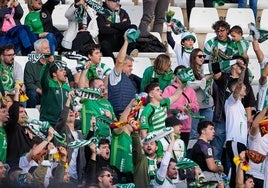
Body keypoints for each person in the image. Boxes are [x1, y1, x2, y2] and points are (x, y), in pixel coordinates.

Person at [55, 91, 86, 186]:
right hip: (63, 174)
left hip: (77, 177)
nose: (70, 112)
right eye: (68, 112)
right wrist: (69, 98)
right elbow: (62, 119)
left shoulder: (80, 135)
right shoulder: (61, 130)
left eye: (72, 111)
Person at [162, 65, 199, 146]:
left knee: (183, 151)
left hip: (186, 127)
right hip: (172, 127)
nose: (182, 76)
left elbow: (196, 108)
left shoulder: (191, 90)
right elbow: (165, 105)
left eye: (184, 74)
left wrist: (190, 106)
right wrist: (179, 106)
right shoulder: (169, 89)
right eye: (179, 74)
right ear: (175, 76)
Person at [225, 62, 248, 187]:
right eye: (243, 86)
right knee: (237, 168)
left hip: (242, 143)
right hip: (234, 141)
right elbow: (239, 85)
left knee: (242, 170)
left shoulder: (241, 106)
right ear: (235, 89)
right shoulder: (231, 101)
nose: (245, 88)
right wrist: (243, 71)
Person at [108, 32, 141, 119]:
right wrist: (126, 41)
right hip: (120, 117)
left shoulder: (130, 80)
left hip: (131, 117)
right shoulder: (116, 77)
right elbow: (119, 61)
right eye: (129, 66)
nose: (131, 69)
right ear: (122, 65)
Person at [188, 48, 214, 141]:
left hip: (207, 105)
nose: (202, 58)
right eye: (199, 56)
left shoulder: (206, 69)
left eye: (203, 56)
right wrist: (205, 80)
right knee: (194, 133)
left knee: (208, 132)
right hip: (195, 105)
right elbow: (190, 86)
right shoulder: (189, 71)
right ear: (193, 57)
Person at [5, 83, 33, 168]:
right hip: (15, 167)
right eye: (21, 112)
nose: (24, 114)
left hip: (29, 165)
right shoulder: (11, 126)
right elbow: (14, 115)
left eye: (24, 112)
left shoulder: (29, 129)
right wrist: (17, 92)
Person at [191, 121, 224, 188]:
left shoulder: (196, 145)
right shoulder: (205, 146)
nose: (214, 131)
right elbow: (211, 167)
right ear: (203, 131)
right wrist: (220, 168)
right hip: (208, 179)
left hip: (199, 179)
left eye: (214, 129)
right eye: (211, 129)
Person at [39, 59, 71, 127]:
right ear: (54, 74)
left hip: (62, 123)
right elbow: (42, 77)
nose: (64, 72)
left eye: (64, 70)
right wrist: (47, 64)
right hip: (48, 123)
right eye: (61, 70)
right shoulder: (48, 84)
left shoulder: (67, 87)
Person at [24, 39, 51, 108]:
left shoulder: (53, 63)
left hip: (52, 92)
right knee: (32, 93)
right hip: (38, 94)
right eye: (45, 48)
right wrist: (41, 91)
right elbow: (29, 84)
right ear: (38, 51)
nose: (48, 50)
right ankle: (31, 115)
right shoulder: (30, 64)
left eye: (48, 48)